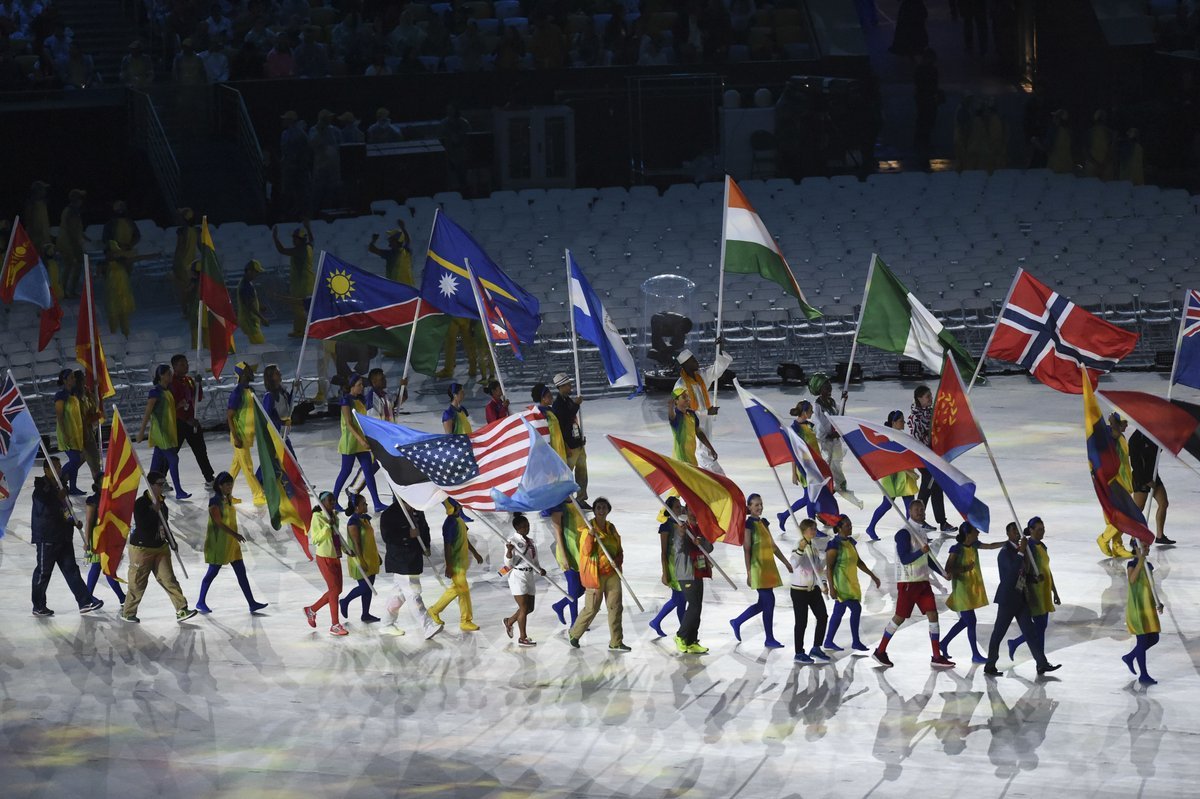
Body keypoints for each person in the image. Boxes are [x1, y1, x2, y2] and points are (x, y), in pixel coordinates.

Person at [871, 499, 955, 669]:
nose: (920, 512)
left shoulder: (921, 532)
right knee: (899, 618)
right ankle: (880, 651)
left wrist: (942, 573)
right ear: (909, 511)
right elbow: (905, 558)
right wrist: (920, 551)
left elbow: (927, 559)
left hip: (922, 582)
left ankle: (936, 656)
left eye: (922, 509)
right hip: (908, 582)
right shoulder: (904, 533)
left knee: (933, 614)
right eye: (917, 509)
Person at [120, 470, 199, 623]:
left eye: (164, 484)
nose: (162, 487)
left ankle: (181, 609)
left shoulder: (162, 503)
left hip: (161, 547)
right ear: (150, 485)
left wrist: (171, 540)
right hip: (142, 549)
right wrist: (153, 511)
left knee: (169, 579)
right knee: (137, 582)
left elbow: (164, 524)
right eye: (159, 484)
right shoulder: (141, 503)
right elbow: (142, 525)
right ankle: (128, 612)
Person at [983, 522, 1061, 676]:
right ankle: (990, 664)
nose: (1017, 534)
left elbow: (1022, 574)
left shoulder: (1021, 551)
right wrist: (1021, 552)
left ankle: (1042, 663)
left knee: (1030, 632)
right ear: (1008, 534)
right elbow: (1012, 575)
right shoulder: (1005, 552)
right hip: (1008, 600)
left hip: (1020, 598)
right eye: (1013, 531)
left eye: (1018, 531)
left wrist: (1033, 578)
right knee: (998, 633)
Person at [31, 457, 103, 617]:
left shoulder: (61, 486)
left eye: (59, 466)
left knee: (71, 570)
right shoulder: (41, 487)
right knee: (43, 573)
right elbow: (46, 508)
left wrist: (72, 521)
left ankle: (85, 602)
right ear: (46, 470)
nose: (58, 470)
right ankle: (38, 606)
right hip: (47, 538)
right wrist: (59, 496)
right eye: (55, 467)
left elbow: (64, 510)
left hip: (63, 537)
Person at [196, 472, 267, 614]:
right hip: (219, 543)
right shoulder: (215, 501)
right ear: (220, 486)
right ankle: (200, 601)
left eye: (231, 484)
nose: (230, 487)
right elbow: (218, 522)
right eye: (227, 484)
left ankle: (252, 603)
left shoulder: (227, 499)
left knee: (241, 573)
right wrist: (236, 534)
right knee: (212, 573)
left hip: (231, 543)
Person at [730, 494, 792, 648]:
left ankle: (737, 621)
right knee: (769, 602)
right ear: (749, 507)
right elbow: (747, 549)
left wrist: (786, 563)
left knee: (763, 603)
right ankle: (769, 638)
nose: (759, 507)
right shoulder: (748, 524)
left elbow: (773, 546)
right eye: (756, 505)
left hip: (768, 568)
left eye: (761, 504)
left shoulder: (764, 522)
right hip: (758, 568)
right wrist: (749, 572)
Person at [569, 498, 630, 651]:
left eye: (604, 507)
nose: (601, 510)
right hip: (595, 574)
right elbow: (586, 552)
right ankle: (575, 633)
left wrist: (617, 560)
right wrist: (590, 535)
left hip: (612, 573)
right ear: (594, 510)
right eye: (598, 507)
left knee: (615, 607)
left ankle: (616, 641)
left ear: (608, 510)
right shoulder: (587, 528)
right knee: (592, 608)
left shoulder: (611, 528)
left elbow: (619, 549)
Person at [940, 522, 1004, 663]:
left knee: (964, 621)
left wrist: (1005, 543)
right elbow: (948, 568)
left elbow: (989, 546)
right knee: (971, 621)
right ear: (968, 534)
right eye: (975, 531)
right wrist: (965, 569)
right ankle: (975, 654)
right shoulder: (956, 549)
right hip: (962, 590)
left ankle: (943, 643)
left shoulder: (974, 545)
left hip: (970, 589)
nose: (978, 533)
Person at [380, 497, 443, 638]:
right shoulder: (389, 514)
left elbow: (424, 528)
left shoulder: (417, 510)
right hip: (401, 560)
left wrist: (426, 545)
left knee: (399, 594)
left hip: (414, 559)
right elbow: (388, 537)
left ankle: (386, 623)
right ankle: (427, 626)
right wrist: (407, 534)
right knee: (414, 594)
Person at [823, 515, 881, 651]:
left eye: (850, 525)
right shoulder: (833, 545)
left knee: (839, 612)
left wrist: (873, 575)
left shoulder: (850, 542)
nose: (850, 528)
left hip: (852, 582)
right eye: (847, 526)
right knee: (856, 609)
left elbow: (858, 562)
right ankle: (856, 641)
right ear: (839, 528)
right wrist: (832, 588)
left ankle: (828, 641)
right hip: (842, 584)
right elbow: (829, 568)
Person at [331, 373, 387, 512]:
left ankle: (377, 502)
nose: (362, 387)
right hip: (351, 441)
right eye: (359, 385)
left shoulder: (360, 400)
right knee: (346, 471)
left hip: (361, 441)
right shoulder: (346, 401)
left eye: (362, 384)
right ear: (352, 386)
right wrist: (361, 440)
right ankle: (334, 500)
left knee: (368, 472)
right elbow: (349, 424)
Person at [1007, 517, 1061, 660]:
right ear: (1030, 530)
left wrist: (1054, 591)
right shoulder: (1028, 548)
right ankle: (1041, 660)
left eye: (1043, 529)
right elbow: (1023, 571)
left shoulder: (1042, 546)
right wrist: (1033, 579)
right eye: (1038, 530)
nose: (1042, 532)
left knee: (1041, 628)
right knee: (1039, 628)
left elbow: (1047, 570)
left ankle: (1019, 645)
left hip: (1045, 591)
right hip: (1034, 592)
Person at [428, 498, 484, 631]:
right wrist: (449, 565)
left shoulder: (459, 520)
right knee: (461, 589)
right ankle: (437, 611)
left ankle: (463, 619)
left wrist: (475, 553)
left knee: (461, 590)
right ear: (456, 506)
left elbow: (465, 538)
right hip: (456, 564)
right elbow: (447, 546)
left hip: (461, 563)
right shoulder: (449, 524)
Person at [137, 364, 189, 499]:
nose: (171, 376)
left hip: (168, 430)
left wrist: (179, 405)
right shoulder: (155, 392)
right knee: (173, 458)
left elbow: (168, 409)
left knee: (156, 464)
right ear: (161, 376)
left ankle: (150, 489)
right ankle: (178, 490)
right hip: (160, 432)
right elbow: (148, 413)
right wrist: (141, 432)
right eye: (168, 374)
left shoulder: (167, 391)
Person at [810, 374, 861, 507]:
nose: (829, 387)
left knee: (836, 473)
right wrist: (828, 435)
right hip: (824, 444)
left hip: (834, 442)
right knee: (826, 474)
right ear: (820, 389)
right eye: (826, 386)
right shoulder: (817, 406)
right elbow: (820, 424)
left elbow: (840, 418)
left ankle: (828, 502)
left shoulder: (832, 403)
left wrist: (844, 401)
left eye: (829, 384)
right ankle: (822, 505)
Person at [867, 411, 919, 540]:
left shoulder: (901, 437)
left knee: (909, 505)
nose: (904, 423)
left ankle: (912, 533)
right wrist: (908, 470)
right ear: (894, 423)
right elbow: (890, 457)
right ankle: (871, 527)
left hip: (905, 475)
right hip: (894, 476)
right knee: (887, 504)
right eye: (901, 420)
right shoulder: (888, 438)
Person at [908, 387, 953, 532]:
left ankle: (941, 521)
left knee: (935, 487)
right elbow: (917, 440)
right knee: (928, 486)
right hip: (923, 457)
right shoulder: (916, 417)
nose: (930, 398)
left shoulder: (932, 412)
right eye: (927, 396)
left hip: (933, 456)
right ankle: (919, 520)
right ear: (919, 398)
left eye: (930, 395)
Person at [304, 492, 349, 635]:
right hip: (324, 557)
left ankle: (311, 610)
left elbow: (337, 536)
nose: (333, 503)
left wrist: (346, 548)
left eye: (334, 501)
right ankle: (335, 625)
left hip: (335, 555)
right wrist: (327, 527)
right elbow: (316, 539)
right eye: (330, 501)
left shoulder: (334, 516)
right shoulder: (317, 517)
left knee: (337, 590)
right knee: (334, 591)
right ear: (322, 502)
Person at [1122, 538, 1163, 685]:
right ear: (1136, 547)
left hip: (1148, 608)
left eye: (1148, 546)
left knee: (1154, 638)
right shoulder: (1132, 564)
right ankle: (1143, 675)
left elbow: (1151, 587)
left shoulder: (1149, 566)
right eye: (1144, 546)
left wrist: (1158, 602)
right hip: (1137, 609)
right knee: (1142, 641)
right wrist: (1140, 560)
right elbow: (1132, 580)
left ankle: (1130, 657)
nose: (1147, 548)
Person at [170, 355, 215, 488]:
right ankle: (160, 477)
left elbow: (198, 398)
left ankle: (209, 477)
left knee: (201, 450)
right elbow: (172, 405)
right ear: (175, 366)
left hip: (192, 421)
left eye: (186, 363)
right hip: (178, 423)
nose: (186, 366)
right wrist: (186, 420)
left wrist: (198, 385)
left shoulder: (189, 380)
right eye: (182, 364)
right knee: (172, 453)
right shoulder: (171, 383)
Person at [790, 518, 831, 664]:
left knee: (823, 616)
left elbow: (819, 568)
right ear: (804, 531)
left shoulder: (813, 546)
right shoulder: (798, 544)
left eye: (815, 528)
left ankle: (816, 647)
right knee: (801, 622)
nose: (814, 531)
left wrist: (823, 584)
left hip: (813, 590)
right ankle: (799, 652)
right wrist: (800, 549)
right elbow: (793, 563)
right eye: (811, 528)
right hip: (799, 591)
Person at [226, 362, 267, 505]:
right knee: (248, 468)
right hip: (240, 436)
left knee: (234, 468)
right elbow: (230, 416)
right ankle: (258, 495)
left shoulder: (249, 390)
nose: (252, 373)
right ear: (242, 374)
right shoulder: (237, 393)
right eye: (249, 371)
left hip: (247, 436)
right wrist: (236, 437)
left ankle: (224, 496)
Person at [503, 512, 546, 646]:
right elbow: (508, 564)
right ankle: (523, 637)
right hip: (517, 576)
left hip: (530, 575)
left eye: (527, 526)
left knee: (529, 608)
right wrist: (509, 552)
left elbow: (534, 559)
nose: (526, 528)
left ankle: (509, 621)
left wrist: (539, 569)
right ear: (517, 528)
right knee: (523, 608)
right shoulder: (512, 542)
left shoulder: (531, 542)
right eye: (523, 527)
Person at [339, 492, 382, 623]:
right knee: (365, 587)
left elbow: (370, 540)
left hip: (371, 557)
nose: (366, 505)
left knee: (368, 588)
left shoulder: (365, 519)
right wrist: (362, 560)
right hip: (360, 559)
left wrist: (377, 555)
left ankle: (366, 614)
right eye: (364, 503)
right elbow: (357, 543)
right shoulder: (353, 522)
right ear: (357, 507)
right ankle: (345, 601)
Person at [1097, 412, 1135, 559]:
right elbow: (1111, 436)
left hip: (1125, 482)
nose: (1127, 425)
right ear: (1117, 423)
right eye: (1124, 423)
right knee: (1123, 515)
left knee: (1120, 514)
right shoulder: (1110, 436)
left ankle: (1117, 546)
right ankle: (1104, 538)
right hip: (1115, 483)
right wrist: (1113, 424)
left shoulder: (1121, 436)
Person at [82, 478, 126, 603]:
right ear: (97, 484)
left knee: (103, 567)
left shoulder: (111, 498)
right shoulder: (93, 500)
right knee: (104, 567)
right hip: (97, 538)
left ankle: (88, 597)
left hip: (109, 537)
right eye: (103, 481)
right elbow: (89, 522)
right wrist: (87, 542)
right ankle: (121, 598)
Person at [649, 496, 687, 637]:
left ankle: (682, 630)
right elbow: (664, 552)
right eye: (677, 506)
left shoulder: (683, 524)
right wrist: (665, 573)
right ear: (670, 509)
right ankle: (681, 630)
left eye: (680, 506)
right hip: (673, 567)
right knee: (679, 599)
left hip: (683, 566)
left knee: (682, 600)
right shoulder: (665, 526)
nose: (680, 508)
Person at [102, 200, 140, 337]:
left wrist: (128, 246)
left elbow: (137, 236)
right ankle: (114, 333)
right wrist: (117, 249)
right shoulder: (110, 225)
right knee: (114, 307)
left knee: (124, 295)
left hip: (126, 257)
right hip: (112, 284)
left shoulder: (130, 222)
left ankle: (125, 332)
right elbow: (106, 240)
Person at [551, 373, 590, 505]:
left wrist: (580, 439)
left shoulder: (567, 401)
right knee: (567, 475)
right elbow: (566, 420)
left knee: (582, 472)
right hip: (569, 446)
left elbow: (573, 421)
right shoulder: (557, 405)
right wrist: (576, 405)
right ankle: (566, 500)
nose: (570, 387)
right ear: (560, 387)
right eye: (567, 385)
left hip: (577, 444)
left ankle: (581, 498)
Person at [1130, 430, 1173, 545]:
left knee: (1163, 503)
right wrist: (1146, 480)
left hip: (1154, 476)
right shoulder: (1136, 439)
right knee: (1138, 508)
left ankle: (1160, 535)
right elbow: (1135, 463)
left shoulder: (1154, 436)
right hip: (1142, 478)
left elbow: (1157, 451)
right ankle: (1134, 537)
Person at [272, 222, 315, 337]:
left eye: (296, 239)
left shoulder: (300, 250)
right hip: (306, 283)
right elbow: (312, 240)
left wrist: (275, 238)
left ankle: (304, 331)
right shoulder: (309, 247)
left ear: (301, 240)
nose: (293, 241)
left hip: (302, 284)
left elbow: (282, 250)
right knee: (298, 308)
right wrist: (308, 228)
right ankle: (298, 330)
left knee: (299, 308)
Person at [550, 499, 588, 626]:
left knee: (582, 588)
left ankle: (560, 605)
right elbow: (558, 533)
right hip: (567, 553)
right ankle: (575, 623)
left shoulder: (576, 503)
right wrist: (565, 557)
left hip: (579, 552)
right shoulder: (557, 506)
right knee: (573, 589)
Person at [53, 369, 86, 495]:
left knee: (76, 459)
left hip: (75, 432)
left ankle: (73, 487)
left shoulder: (74, 394)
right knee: (75, 460)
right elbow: (60, 416)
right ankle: (58, 479)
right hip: (66, 432)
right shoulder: (60, 395)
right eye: (72, 377)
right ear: (65, 380)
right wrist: (65, 434)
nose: (74, 379)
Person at [668, 387, 717, 466]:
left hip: (692, 460)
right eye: (684, 397)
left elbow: (699, 433)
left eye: (687, 396)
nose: (688, 399)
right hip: (680, 460)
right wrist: (670, 407)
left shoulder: (691, 414)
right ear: (676, 401)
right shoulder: (676, 416)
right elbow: (671, 417)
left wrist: (710, 448)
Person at [913, 48, 941, 170]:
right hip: (928, 100)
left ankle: (922, 145)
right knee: (926, 123)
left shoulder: (919, 70)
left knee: (923, 123)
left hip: (923, 100)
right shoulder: (931, 70)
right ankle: (923, 145)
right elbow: (933, 85)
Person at [56, 188, 87, 298]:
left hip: (67, 242)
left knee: (70, 265)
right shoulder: (72, 211)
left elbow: (73, 228)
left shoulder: (70, 210)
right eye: (80, 198)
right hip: (69, 243)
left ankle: (65, 290)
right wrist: (77, 242)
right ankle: (66, 290)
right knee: (73, 265)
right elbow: (71, 229)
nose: (82, 201)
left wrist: (83, 236)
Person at [368, 222, 413, 286]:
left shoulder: (390, 254)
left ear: (396, 241)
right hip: (404, 287)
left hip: (395, 286)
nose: (389, 241)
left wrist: (373, 240)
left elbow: (372, 249)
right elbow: (407, 240)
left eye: (391, 239)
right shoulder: (406, 251)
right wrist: (403, 228)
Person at [173, 208, 198, 317]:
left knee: (184, 288)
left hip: (182, 262)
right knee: (191, 286)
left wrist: (174, 262)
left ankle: (185, 311)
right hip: (192, 262)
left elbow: (180, 247)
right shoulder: (196, 231)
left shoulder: (182, 231)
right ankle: (191, 309)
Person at [237, 259, 268, 344]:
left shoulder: (247, 283)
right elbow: (249, 305)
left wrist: (260, 306)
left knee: (257, 344)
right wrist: (263, 318)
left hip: (250, 321)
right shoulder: (245, 286)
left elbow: (251, 300)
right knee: (260, 344)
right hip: (249, 321)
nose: (257, 274)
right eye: (256, 272)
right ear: (249, 271)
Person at [532, 383, 567, 458]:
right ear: (543, 398)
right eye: (549, 395)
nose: (552, 397)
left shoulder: (550, 410)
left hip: (559, 447)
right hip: (551, 451)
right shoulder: (540, 414)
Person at [261, 364, 293, 433]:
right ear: (271, 377)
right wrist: (282, 422)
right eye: (277, 373)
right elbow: (267, 417)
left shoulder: (282, 391)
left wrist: (294, 389)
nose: (280, 374)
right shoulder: (269, 396)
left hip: (283, 432)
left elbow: (289, 403)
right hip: (275, 435)